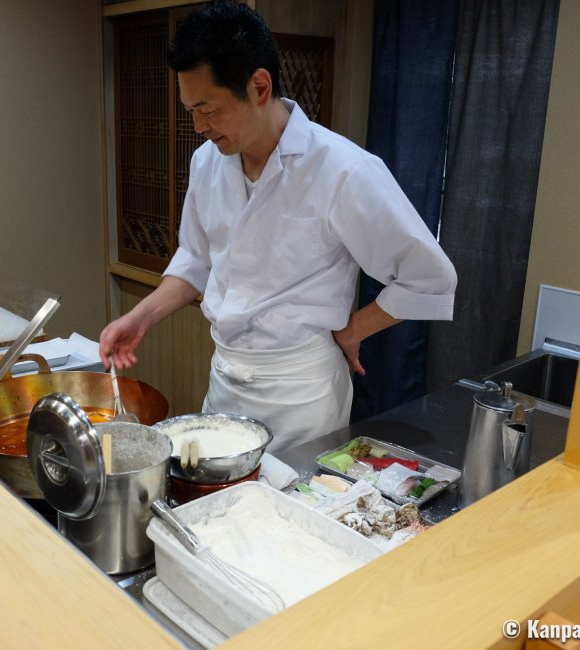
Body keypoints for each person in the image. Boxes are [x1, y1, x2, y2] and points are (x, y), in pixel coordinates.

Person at [100, 0, 456, 453]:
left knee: (290, 514)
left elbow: (430, 277)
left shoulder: (344, 169)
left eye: (208, 108)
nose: (197, 126)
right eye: (190, 109)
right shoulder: (208, 161)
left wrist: (352, 330)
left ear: (260, 86)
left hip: (301, 395)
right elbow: (196, 258)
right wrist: (140, 317)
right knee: (220, 510)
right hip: (225, 379)